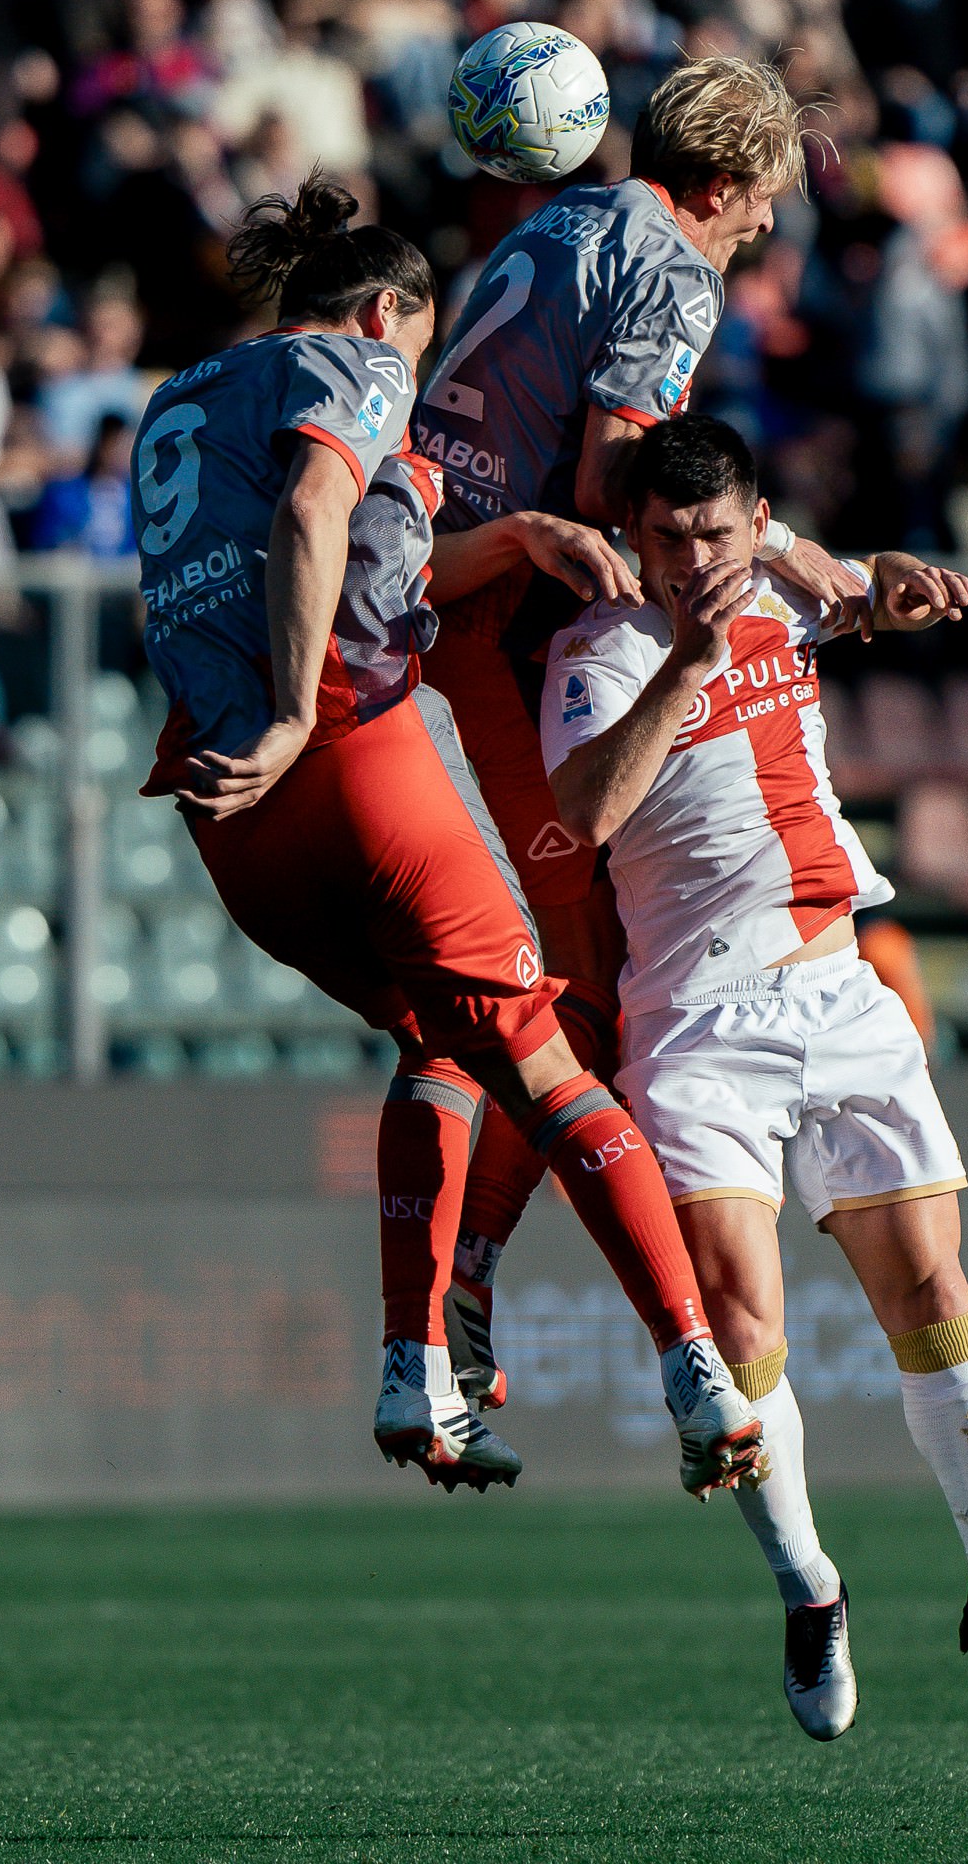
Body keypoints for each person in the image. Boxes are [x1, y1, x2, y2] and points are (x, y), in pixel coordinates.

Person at [130, 171, 764, 1500]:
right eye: (415, 350)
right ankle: (698, 1374)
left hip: (229, 815)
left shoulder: (178, 402)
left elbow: (364, 554)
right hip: (351, 756)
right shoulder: (351, 363)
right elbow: (316, 510)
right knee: (548, 1048)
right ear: (382, 315)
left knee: (443, 1038)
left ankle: (417, 1369)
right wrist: (307, 713)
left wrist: (520, 534)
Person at [538, 416, 968, 1736]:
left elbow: (857, 596)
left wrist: (889, 588)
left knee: (934, 1290)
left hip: (839, 988)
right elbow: (584, 811)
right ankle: (809, 1591)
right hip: (695, 1019)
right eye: (663, 540)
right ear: (632, 536)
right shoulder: (598, 650)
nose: (688, 560)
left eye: (713, 536)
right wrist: (683, 663)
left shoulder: (787, 588)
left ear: (755, 520)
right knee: (740, 1335)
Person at [411, 55, 866, 1395]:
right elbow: (619, 481)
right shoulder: (672, 268)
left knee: (548, 984)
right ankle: (453, 1294)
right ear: (718, 184)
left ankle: (459, 1288)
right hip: (479, 628)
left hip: (436, 583)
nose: (767, 226)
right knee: (562, 992)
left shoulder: (563, 221)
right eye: (761, 201)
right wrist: (778, 544)